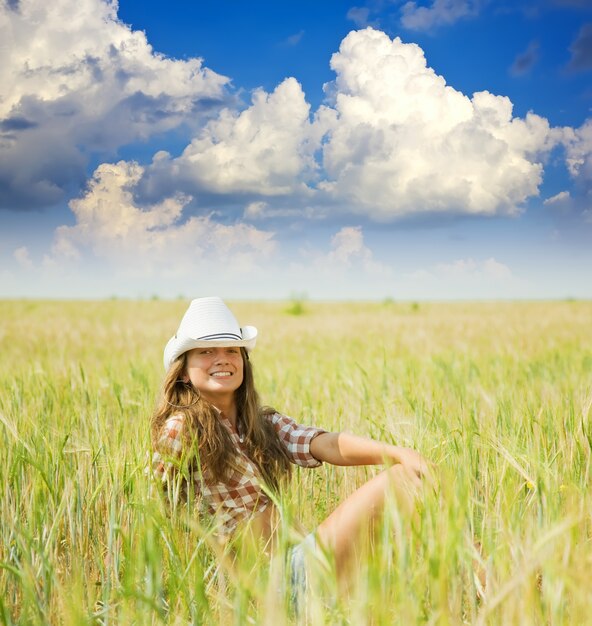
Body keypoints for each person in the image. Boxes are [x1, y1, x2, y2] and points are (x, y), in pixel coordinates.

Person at [151, 297, 431, 604]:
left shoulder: (262, 423)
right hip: (267, 583)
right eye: (206, 351)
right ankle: (478, 586)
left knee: (418, 478)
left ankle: (469, 583)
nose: (222, 358)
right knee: (404, 481)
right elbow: (156, 511)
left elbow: (321, 443)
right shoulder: (182, 428)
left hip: (297, 562)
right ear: (184, 373)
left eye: (232, 350)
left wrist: (397, 452)